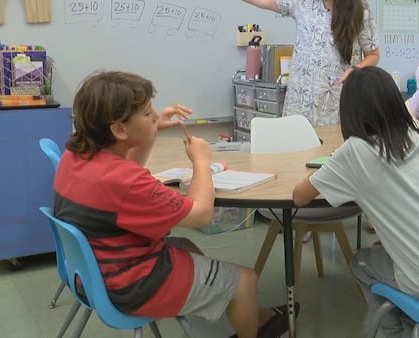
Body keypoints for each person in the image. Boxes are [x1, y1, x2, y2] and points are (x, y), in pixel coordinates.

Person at [52, 71, 294, 338]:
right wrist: (201, 160)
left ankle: (260, 317)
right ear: (119, 130)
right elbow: (201, 214)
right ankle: (254, 318)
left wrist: (150, 130)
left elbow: (125, 173)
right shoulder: (129, 182)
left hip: (90, 275)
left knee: (185, 247)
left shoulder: (75, 158)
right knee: (245, 281)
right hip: (131, 285)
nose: (155, 116)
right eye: (147, 114)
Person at [291, 66, 419, 338]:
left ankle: (397, 332)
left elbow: (299, 196)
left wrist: (322, 171)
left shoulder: (355, 151)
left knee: (360, 262)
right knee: (386, 252)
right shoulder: (414, 137)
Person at [198, 0, 380, 126]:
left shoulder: (360, 15)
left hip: (337, 100)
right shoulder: (303, 3)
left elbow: (373, 55)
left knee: (332, 152)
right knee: (298, 150)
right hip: (300, 98)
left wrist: (355, 70)